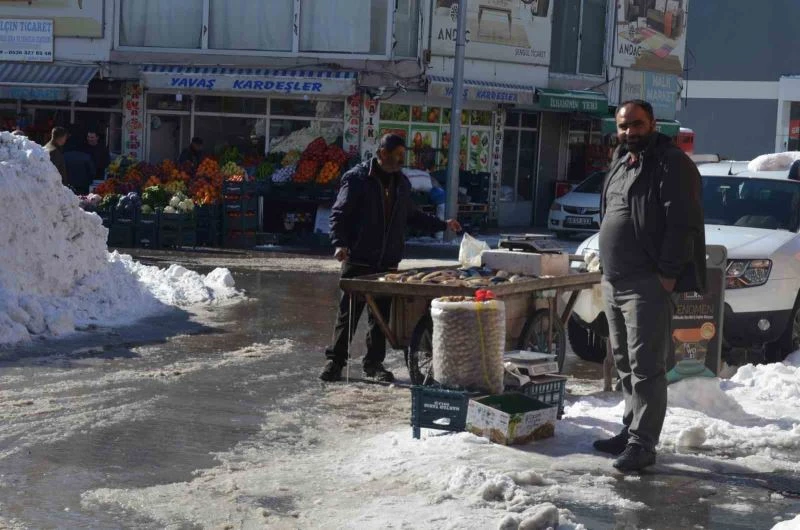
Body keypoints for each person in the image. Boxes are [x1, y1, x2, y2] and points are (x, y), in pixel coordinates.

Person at [594, 100, 706, 472]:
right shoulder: (620, 158)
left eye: (637, 125)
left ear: (653, 123)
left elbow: (682, 222)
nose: (629, 132)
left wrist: (668, 273)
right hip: (614, 280)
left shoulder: (671, 162)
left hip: (647, 282)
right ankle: (630, 432)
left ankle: (644, 444)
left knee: (646, 366)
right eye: (624, 126)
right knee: (624, 361)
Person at [321, 134, 462, 383]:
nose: (399, 161)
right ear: (382, 153)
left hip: (387, 263)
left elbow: (413, 215)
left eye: (401, 156)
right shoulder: (357, 179)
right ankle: (335, 362)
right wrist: (339, 243)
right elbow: (339, 213)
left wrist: (442, 224)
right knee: (349, 314)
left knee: (381, 318)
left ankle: (374, 364)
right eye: (396, 155)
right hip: (359, 259)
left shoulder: (402, 183)